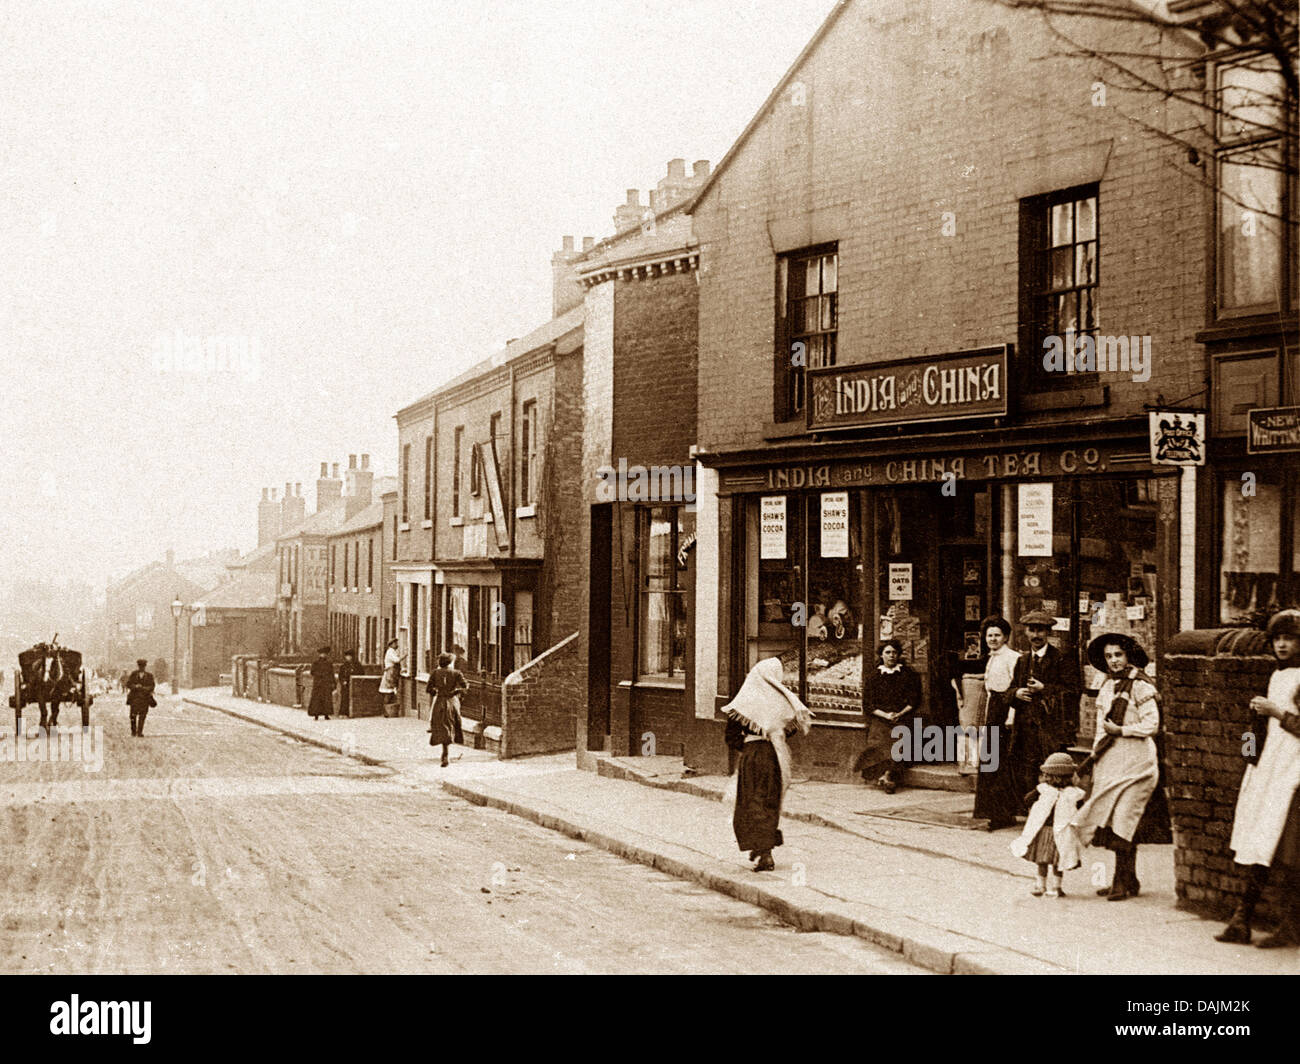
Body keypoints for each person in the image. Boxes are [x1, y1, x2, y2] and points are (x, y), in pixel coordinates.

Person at [1215, 609, 1300, 947]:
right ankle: (1241, 919)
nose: (1282, 644)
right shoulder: (1275, 676)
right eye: (1277, 638)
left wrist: (1277, 712)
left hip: (1294, 773)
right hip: (1269, 770)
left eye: (1289, 638)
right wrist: (1248, 753)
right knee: (1260, 841)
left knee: (1287, 851)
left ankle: (1288, 924)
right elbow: (1254, 728)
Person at [1071, 634, 1160, 901]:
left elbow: (1151, 725)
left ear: (1128, 656)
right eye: (1109, 656)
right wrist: (1095, 758)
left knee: (1124, 819)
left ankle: (1120, 880)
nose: (1114, 661)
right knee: (1110, 821)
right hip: (1111, 761)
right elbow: (1101, 729)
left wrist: (1121, 729)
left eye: (1118, 655)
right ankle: (1129, 879)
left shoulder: (1142, 687)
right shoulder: (1108, 688)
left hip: (1137, 764)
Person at [723, 658, 814, 871]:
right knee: (769, 801)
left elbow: (731, 736)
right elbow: (791, 728)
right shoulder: (782, 700)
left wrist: (747, 744)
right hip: (775, 756)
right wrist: (775, 735)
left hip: (752, 755)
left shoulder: (745, 699)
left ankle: (763, 850)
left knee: (750, 802)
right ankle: (763, 847)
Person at [1006, 611, 1077, 797]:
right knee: (1027, 771)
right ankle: (1032, 809)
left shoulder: (1061, 658)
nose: (1036, 636)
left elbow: (1072, 691)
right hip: (1025, 729)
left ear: (1048, 633)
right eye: (1032, 630)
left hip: (1050, 728)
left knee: (1052, 770)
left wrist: (1044, 688)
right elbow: (1010, 690)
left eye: (1041, 631)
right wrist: (1017, 693)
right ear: (1026, 633)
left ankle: (1052, 810)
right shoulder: (1022, 661)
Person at [973, 616, 1024, 829]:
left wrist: (1011, 717)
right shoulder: (992, 657)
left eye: (997, 635)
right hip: (993, 710)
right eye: (989, 635)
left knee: (1001, 764)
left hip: (1005, 712)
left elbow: (1013, 688)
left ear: (1005, 637)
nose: (993, 639)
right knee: (990, 762)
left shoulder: (1013, 658)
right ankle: (993, 811)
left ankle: (1002, 814)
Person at [1011, 752, 1085, 897]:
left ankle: (1044, 886)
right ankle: (1051, 886)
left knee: (1048, 860)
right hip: (1049, 830)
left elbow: (1026, 799)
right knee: (1054, 861)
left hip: (1056, 831)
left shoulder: (1068, 793)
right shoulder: (1051, 791)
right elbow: (1082, 810)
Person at [859, 640, 923, 794]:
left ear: (899, 654)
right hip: (880, 717)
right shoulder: (874, 676)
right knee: (879, 742)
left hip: (902, 716)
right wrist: (885, 715)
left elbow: (915, 699)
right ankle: (883, 775)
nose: (891, 656)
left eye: (894, 652)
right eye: (887, 652)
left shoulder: (908, 674)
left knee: (898, 741)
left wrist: (899, 714)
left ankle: (888, 776)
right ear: (881, 655)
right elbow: (868, 704)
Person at [426, 652, 467, 767]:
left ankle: (445, 752)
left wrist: (437, 692)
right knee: (452, 723)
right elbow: (465, 686)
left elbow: (429, 688)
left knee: (440, 724)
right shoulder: (456, 673)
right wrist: (456, 692)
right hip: (452, 701)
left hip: (440, 701)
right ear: (450, 662)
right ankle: (446, 752)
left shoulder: (435, 673)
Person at [125, 658, 156, 738]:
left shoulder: (149, 676)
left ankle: (139, 732)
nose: (141, 667)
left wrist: (144, 688)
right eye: (140, 666)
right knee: (132, 715)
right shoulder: (133, 674)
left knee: (142, 715)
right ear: (138, 666)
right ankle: (133, 731)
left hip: (145, 699)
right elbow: (128, 684)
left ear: (145, 666)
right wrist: (135, 686)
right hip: (134, 698)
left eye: (143, 666)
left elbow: (152, 686)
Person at [308, 647, 335, 720]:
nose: (323, 655)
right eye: (322, 654)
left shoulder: (329, 663)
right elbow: (312, 672)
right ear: (320, 654)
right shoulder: (315, 663)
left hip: (326, 684)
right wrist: (319, 675)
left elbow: (331, 674)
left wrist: (333, 683)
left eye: (325, 654)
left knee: (326, 699)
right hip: (318, 684)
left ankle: (326, 714)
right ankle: (316, 715)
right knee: (317, 699)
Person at [379, 638, 402, 715]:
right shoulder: (390, 652)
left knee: (390, 692)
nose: (397, 645)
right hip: (390, 673)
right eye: (395, 643)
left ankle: (388, 711)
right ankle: (386, 711)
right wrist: (405, 655)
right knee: (388, 692)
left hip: (391, 673)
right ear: (392, 644)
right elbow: (396, 660)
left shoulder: (392, 651)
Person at [337, 650, 358, 719]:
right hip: (345, 685)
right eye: (347, 656)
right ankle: (343, 713)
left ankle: (350, 713)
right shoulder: (343, 666)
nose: (348, 658)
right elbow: (340, 676)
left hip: (353, 685)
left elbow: (361, 674)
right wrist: (343, 681)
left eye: (350, 656)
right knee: (344, 699)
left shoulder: (357, 665)